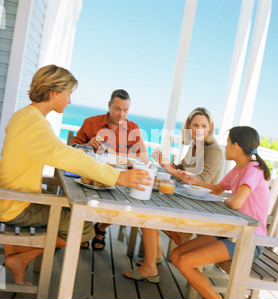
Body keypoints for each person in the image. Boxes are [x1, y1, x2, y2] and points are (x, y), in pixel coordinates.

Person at [0, 65, 151, 285]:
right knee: (84, 228)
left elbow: (61, 151)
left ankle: (17, 255)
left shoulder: (24, 116)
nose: (69, 100)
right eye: (68, 94)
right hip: (17, 205)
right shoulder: (35, 125)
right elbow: (67, 156)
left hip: (13, 196)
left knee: (72, 210)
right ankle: (19, 256)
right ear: (54, 93)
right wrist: (118, 177)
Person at [123, 107, 223, 283]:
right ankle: (155, 256)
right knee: (147, 202)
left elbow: (198, 180)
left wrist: (169, 168)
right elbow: (182, 170)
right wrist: (166, 164)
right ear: (189, 127)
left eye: (203, 125)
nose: (199, 129)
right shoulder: (195, 146)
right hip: (187, 200)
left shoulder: (213, 150)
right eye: (195, 125)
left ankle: (150, 268)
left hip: (201, 208)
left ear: (210, 127)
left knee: (149, 211)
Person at [170, 126, 270, 299]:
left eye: (227, 143)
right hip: (232, 234)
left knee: (185, 261)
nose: (225, 147)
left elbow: (236, 202)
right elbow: (216, 189)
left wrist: (226, 200)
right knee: (176, 255)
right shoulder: (239, 168)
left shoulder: (253, 170)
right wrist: (195, 181)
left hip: (248, 241)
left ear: (236, 146)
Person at [72, 89, 149, 250]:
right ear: (109, 105)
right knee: (81, 195)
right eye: (117, 109)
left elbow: (144, 159)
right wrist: (87, 145)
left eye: (126, 110)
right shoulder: (90, 122)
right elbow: (72, 149)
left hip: (119, 179)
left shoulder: (133, 128)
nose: (122, 114)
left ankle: (101, 228)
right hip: (91, 175)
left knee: (129, 200)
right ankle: (85, 228)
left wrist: (128, 159)